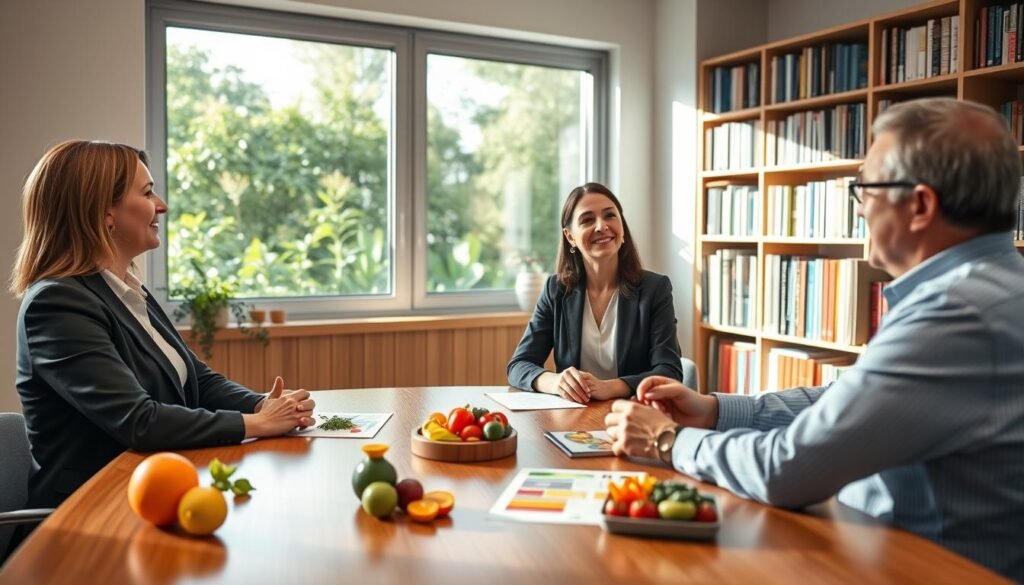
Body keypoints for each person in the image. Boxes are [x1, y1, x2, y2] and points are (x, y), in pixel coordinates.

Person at [604, 98, 1024, 581]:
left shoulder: (956, 314)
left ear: (921, 205)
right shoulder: (991, 289)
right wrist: (717, 411)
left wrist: (669, 441)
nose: (861, 207)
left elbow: (786, 471)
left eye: (865, 188)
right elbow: (857, 398)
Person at [11, 140, 316, 511]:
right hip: (91, 514)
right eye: (147, 192)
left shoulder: (126, 289)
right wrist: (256, 424)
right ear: (104, 213)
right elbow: (139, 421)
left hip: (153, 490)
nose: (162, 206)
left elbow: (196, 380)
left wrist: (262, 404)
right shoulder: (57, 304)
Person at [507, 182, 683, 403]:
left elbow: (670, 372)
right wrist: (555, 382)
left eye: (610, 216)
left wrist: (611, 387)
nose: (601, 226)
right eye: (587, 220)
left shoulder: (655, 289)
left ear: (623, 229)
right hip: (575, 421)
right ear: (570, 237)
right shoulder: (556, 290)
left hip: (635, 415)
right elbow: (518, 366)